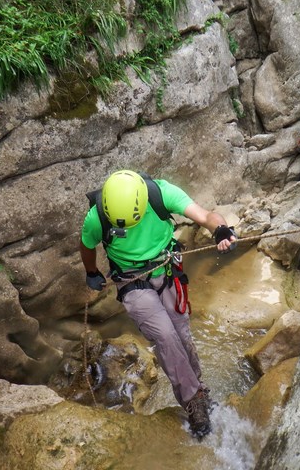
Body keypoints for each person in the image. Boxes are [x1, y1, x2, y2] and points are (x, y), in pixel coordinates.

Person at [79, 170, 237, 439]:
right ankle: (193, 401)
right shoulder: (98, 217)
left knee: (181, 334)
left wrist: (220, 230)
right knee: (164, 336)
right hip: (131, 281)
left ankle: (197, 387)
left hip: (167, 271)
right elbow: (87, 244)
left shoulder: (160, 194)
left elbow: (206, 216)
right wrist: (92, 272)